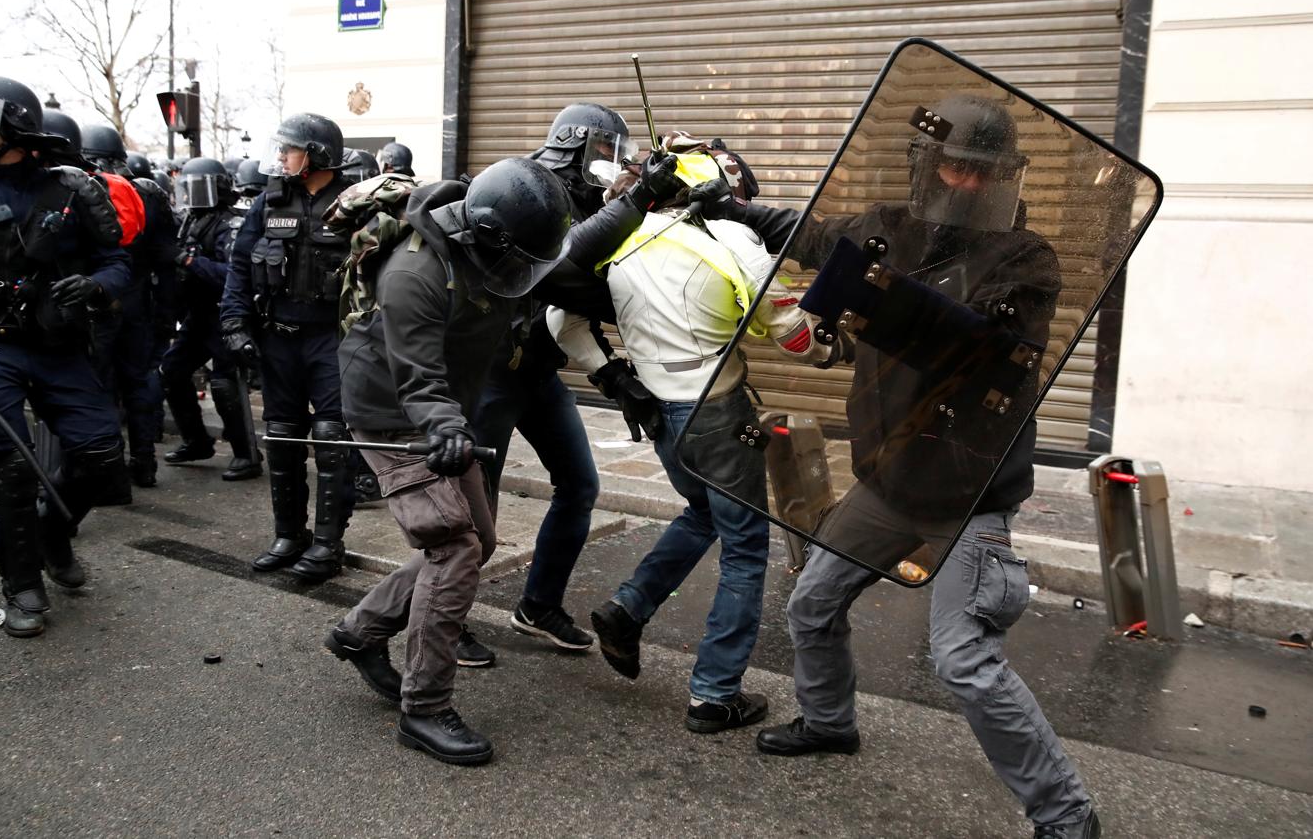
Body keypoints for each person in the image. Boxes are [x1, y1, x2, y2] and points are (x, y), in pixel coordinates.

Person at [706, 95, 1098, 839]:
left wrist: (870, 293)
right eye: (955, 165)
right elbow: (816, 236)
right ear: (927, 165)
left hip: (968, 489)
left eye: (984, 172)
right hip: (888, 479)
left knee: (963, 660)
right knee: (811, 605)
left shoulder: (1027, 260)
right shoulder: (889, 227)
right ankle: (829, 722)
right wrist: (731, 206)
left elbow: (985, 352)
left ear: (1007, 176)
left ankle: (1067, 813)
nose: (968, 184)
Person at [550, 134, 828, 732]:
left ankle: (628, 609)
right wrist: (833, 335)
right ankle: (713, 692)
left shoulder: (619, 240)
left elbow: (560, 318)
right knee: (747, 547)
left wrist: (615, 379)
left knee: (702, 512)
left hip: (658, 412)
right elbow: (797, 338)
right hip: (719, 414)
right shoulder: (731, 238)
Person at [325, 156, 572, 765]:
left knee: (480, 540)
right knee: (453, 547)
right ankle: (425, 708)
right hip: (392, 415)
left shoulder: (494, 244)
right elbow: (418, 379)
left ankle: (359, 633)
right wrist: (443, 427)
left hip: (442, 412)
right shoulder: (414, 272)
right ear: (484, 233)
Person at [464, 103, 683, 662]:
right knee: (472, 510)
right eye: (610, 151)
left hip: (537, 372)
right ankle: (445, 618)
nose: (615, 163)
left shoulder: (594, 200)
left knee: (580, 485)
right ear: (580, 143)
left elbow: (577, 308)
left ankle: (537, 605)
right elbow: (563, 263)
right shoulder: (529, 189)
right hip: (492, 374)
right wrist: (633, 200)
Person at [0, 74, 130, 637]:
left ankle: (53, 530)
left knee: (103, 454)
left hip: (56, 344)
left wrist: (95, 286)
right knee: (10, 462)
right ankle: (22, 581)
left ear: (13, 122)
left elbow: (117, 263)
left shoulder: (71, 189)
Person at [220, 113, 356, 582]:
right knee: (281, 437)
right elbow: (239, 267)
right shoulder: (268, 201)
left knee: (334, 442)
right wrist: (235, 323)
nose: (280, 156)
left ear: (316, 154)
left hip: (332, 342)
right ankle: (288, 534)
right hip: (278, 338)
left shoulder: (355, 202)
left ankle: (326, 545)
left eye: (289, 148)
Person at [70, 120, 177, 489]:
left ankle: (107, 467)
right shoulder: (147, 193)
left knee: (97, 386)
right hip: (137, 301)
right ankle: (144, 463)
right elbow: (167, 258)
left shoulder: (78, 187)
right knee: (140, 381)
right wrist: (166, 313)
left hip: (96, 300)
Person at [159, 157, 261, 481]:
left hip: (223, 314)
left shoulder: (229, 225)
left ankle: (247, 454)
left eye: (194, 187)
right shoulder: (191, 220)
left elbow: (231, 274)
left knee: (225, 383)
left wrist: (189, 262)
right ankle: (196, 441)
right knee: (171, 371)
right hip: (197, 315)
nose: (189, 194)